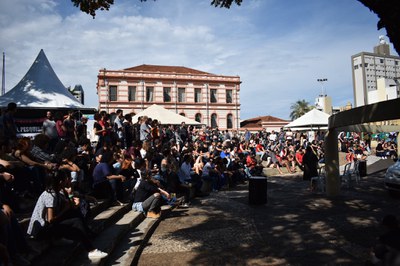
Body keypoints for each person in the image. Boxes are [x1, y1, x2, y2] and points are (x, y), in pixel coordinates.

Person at [27, 170, 108, 260]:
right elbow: (50, 219)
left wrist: (69, 197)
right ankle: (91, 250)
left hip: (48, 226)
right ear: (61, 182)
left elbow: (71, 207)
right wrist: (65, 208)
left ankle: (81, 238)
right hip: (41, 230)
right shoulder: (51, 195)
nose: (67, 180)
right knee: (76, 221)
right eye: (66, 178)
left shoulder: (56, 192)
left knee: (74, 214)